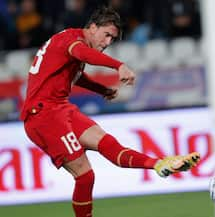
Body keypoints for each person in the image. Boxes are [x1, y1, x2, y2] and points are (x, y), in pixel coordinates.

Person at [20, 6, 200, 217]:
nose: (107, 43)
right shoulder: (72, 41)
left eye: (112, 40)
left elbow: (76, 75)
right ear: (93, 27)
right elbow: (83, 54)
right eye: (106, 35)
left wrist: (101, 89)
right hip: (43, 114)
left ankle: (159, 164)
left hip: (60, 108)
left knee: (109, 145)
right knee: (85, 176)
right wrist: (119, 65)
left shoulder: (71, 44)